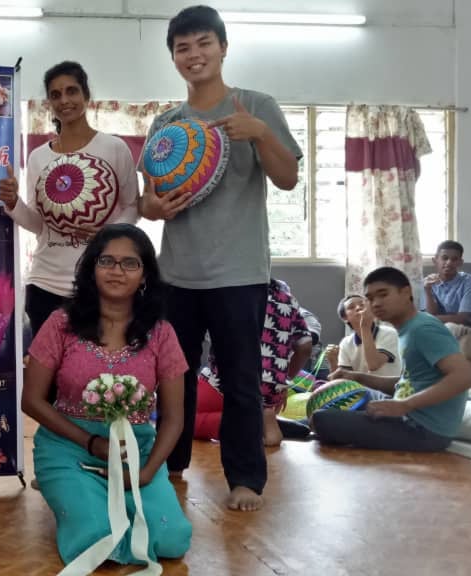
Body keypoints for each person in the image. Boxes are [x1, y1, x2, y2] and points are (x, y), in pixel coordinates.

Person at [139, 5, 302, 511]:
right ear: (173, 57)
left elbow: (288, 178)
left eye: (203, 43)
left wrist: (261, 133)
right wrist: (153, 207)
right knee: (174, 378)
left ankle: (245, 479)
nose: (194, 55)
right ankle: (170, 464)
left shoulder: (256, 105)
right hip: (177, 274)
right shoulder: (166, 123)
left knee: (240, 380)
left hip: (239, 272)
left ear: (223, 47)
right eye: (182, 47)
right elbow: (147, 199)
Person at [22, 224, 192, 568]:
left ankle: (116, 507)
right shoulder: (60, 323)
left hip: (137, 453)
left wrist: (146, 473)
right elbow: (32, 400)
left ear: (145, 274)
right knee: (96, 537)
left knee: (171, 538)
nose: (117, 271)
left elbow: (175, 417)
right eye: (107, 261)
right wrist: (90, 442)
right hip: (70, 450)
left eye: (130, 263)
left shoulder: (161, 333)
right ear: (91, 268)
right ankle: (81, 502)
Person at [0, 61, 140, 338]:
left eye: (71, 91)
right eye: (55, 94)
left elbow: (133, 206)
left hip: (100, 284)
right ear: (49, 103)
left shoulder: (114, 148)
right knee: (45, 366)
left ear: (86, 95)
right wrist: (13, 202)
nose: (64, 100)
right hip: (45, 283)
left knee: (97, 364)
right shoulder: (39, 157)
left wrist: (107, 234)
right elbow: (39, 225)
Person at [313, 267, 471, 452]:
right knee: (343, 391)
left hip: (423, 430)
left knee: (320, 420)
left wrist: (404, 405)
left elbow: (465, 377)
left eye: (383, 295)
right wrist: (356, 377)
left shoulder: (423, 329)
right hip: (406, 413)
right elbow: (408, 382)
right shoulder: (407, 329)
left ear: (406, 292)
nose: (376, 303)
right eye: (370, 298)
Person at [193, 279, 313, 446]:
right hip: (271, 388)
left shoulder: (227, 290)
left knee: (181, 417)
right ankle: (264, 417)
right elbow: (305, 347)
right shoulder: (286, 298)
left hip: (227, 381)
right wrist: (283, 382)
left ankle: (249, 422)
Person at [325, 294, 402, 378]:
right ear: (345, 318)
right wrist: (333, 361)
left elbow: (374, 365)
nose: (358, 308)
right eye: (351, 307)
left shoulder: (388, 333)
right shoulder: (346, 343)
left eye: (362, 304)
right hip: (361, 386)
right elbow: (342, 379)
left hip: (391, 386)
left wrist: (364, 326)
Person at [421, 240, 471, 332]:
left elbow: (464, 319)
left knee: (450, 328)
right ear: (435, 260)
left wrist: (429, 319)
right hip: (435, 328)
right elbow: (429, 314)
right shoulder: (427, 283)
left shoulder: (470, 281)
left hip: (465, 329)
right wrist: (428, 291)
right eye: (444, 258)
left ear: (460, 262)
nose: (449, 262)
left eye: (454, 259)